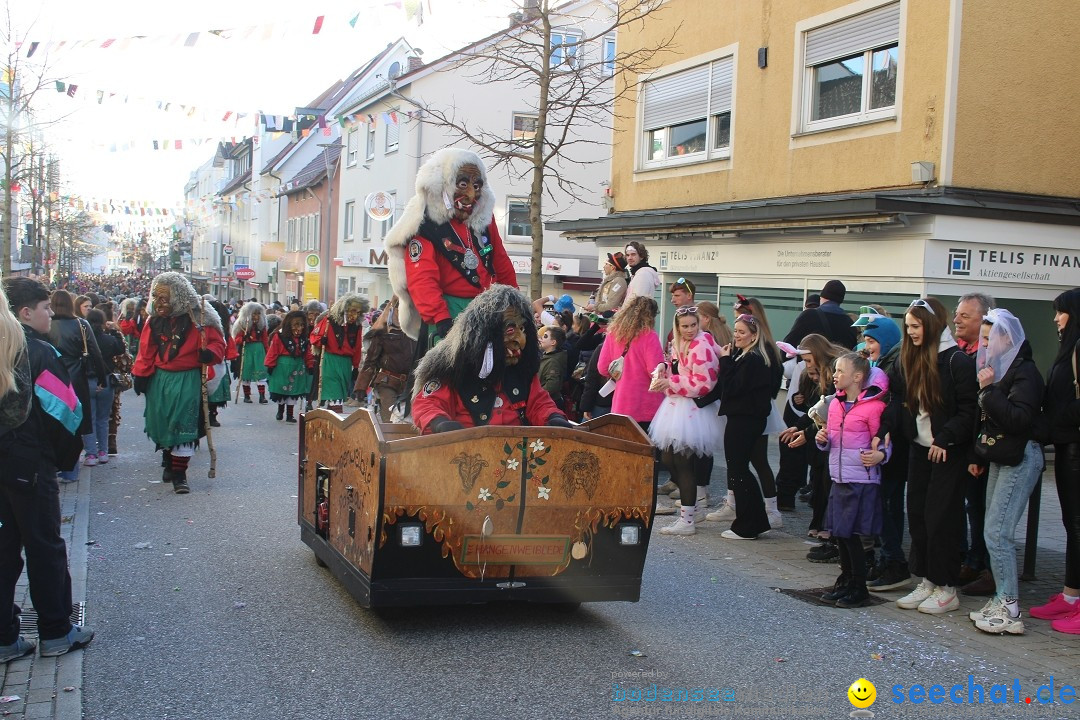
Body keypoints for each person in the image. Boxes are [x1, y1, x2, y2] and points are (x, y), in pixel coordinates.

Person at [0, 277, 94, 661]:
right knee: (45, 547)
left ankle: (6, 637)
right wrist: (60, 458)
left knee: (4, 551)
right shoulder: (37, 351)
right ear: (25, 312)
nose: (50, 313)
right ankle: (56, 630)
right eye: (44, 308)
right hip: (29, 463)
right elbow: (67, 413)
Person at [888, 297, 978, 615]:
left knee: (942, 518)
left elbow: (970, 409)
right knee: (918, 515)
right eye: (908, 326)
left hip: (947, 452)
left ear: (931, 325)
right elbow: (901, 400)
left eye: (916, 326)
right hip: (920, 448)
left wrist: (947, 437)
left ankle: (946, 586)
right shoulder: (910, 359)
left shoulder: (956, 361)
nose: (911, 332)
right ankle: (927, 579)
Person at [386, 148, 518, 346]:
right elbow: (422, 277)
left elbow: (500, 261)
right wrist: (441, 317)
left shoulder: (484, 221)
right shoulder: (425, 222)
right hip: (449, 313)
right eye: (463, 184)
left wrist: (514, 305)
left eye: (477, 185)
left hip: (489, 309)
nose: (471, 194)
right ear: (444, 184)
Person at [964, 309, 1044, 635]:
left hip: (1019, 456)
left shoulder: (1025, 373)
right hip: (1001, 455)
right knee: (991, 529)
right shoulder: (1002, 370)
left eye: (988, 338)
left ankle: (1009, 606)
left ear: (1005, 338)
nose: (983, 345)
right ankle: (1002, 597)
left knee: (998, 532)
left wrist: (988, 391)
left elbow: (1018, 420)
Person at [411, 285, 569, 433]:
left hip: (517, 454)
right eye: (510, 329)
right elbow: (428, 404)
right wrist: (440, 423)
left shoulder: (522, 370)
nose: (521, 340)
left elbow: (539, 403)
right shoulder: (452, 368)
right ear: (483, 334)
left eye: (522, 329)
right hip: (467, 454)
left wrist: (553, 417)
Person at [132, 273, 226, 494]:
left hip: (187, 378)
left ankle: (179, 475)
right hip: (160, 378)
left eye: (165, 298)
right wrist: (141, 375)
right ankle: (168, 458)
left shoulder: (201, 316)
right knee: (163, 421)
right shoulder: (153, 320)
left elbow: (218, 343)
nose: (159, 303)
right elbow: (146, 350)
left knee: (183, 423)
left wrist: (209, 353)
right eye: (156, 297)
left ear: (178, 296)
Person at [815, 353, 889, 608]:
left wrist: (881, 455)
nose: (834, 375)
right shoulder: (835, 404)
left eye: (840, 371)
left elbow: (885, 442)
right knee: (840, 534)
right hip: (840, 475)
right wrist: (822, 440)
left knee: (853, 535)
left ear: (857, 377)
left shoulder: (875, 407)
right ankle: (846, 579)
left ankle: (859, 586)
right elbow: (833, 440)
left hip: (861, 479)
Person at [696, 314, 773, 539]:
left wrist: (725, 360)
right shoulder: (750, 356)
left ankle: (748, 526)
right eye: (736, 331)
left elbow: (732, 387)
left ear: (754, 335)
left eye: (741, 332)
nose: (736, 336)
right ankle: (755, 521)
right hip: (744, 419)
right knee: (739, 470)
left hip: (745, 420)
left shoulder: (753, 359)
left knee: (738, 471)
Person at [648, 306, 724, 536]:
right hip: (680, 406)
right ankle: (693, 510)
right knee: (671, 459)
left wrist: (670, 383)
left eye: (694, 325)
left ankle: (688, 519)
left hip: (692, 409)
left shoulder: (701, 344)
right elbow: (677, 366)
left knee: (681, 463)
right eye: (685, 326)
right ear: (677, 327)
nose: (690, 330)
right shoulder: (680, 342)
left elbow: (704, 384)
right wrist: (664, 367)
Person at [1031, 288, 1080, 632]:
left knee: (1077, 525)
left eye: (1060, 312)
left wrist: (1054, 423)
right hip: (1066, 445)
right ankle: (1071, 594)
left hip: (1075, 444)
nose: (1056, 319)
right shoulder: (1070, 349)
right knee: (1071, 524)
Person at [860, 316, 912, 592]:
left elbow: (893, 404)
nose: (868, 347)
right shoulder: (884, 362)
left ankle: (894, 561)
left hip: (894, 444)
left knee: (886, 504)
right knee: (886, 504)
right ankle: (890, 559)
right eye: (866, 341)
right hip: (886, 441)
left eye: (872, 341)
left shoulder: (896, 364)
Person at [953, 292, 996, 597]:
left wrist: (976, 452)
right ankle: (970, 558)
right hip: (961, 444)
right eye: (957, 315)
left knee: (980, 508)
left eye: (965, 316)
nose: (957, 320)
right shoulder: (959, 352)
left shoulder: (991, 354)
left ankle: (981, 565)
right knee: (968, 505)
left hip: (981, 448)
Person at [730, 295, 786, 528]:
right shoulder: (755, 351)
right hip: (756, 409)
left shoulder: (763, 353)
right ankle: (744, 505)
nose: (736, 334)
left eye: (742, 327)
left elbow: (742, 385)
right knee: (748, 461)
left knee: (756, 460)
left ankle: (770, 510)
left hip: (756, 411)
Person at [48, 290, 107, 481]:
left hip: (51, 379)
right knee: (75, 423)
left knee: (53, 421)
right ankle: (70, 469)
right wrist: (101, 378)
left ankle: (56, 466)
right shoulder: (81, 324)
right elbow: (95, 353)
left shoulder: (46, 325)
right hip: (76, 378)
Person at [597, 296, 664, 431]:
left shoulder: (613, 334)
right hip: (646, 405)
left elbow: (602, 368)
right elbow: (654, 371)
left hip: (621, 404)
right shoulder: (649, 336)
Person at [353, 297, 416, 422]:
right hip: (387, 383)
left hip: (410, 385)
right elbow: (371, 361)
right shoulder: (383, 332)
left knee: (407, 423)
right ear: (395, 310)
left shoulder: (417, 331)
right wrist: (361, 386)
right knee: (391, 420)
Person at [309, 293, 367, 413]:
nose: (354, 315)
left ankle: (331, 419)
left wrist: (356, 367)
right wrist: (321, 341)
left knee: (340, 394)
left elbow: (356, 347)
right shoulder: (330, 321)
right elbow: (314, 336)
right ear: (345, 310)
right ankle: (335, 417)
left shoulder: (357, 326)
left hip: (346, 363)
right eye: (352, 311)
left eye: (358, 312)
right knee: (334, 394)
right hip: (330, 361)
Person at [83, 309, 125, 465]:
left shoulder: (84, 341)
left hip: (87, 381)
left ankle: (90, 454)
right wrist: (114, 330)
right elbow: (121, 349)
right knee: (103, 419)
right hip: (106, 381)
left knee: (90, 419)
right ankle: (103, 452)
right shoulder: (108, 339)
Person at [265, 310, 314, 423]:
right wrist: (270, 365)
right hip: (282, 367)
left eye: (302, 325)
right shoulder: (279, 336)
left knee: (293, 391)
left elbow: (307, 353)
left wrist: (310, 365)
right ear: (289, 325)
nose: (300, 328)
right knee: (282, 391)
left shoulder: (304, 339)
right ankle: (280, 410)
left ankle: (290, 415)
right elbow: (273, 351)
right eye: (296, 324)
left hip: (297, 367)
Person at [783, 279, 859, 349]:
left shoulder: (809, 315)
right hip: (838, 363)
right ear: (840, 301)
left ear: (822, 297)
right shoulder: (849, 322)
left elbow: (788, 345)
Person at [206, 299, 237, 428]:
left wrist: (233, 359)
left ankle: (212, 414)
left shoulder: (223, 331)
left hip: (219, 364)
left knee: (216, 394)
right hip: (204, 362)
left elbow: (229, 345)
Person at [232, 302, 270, 404]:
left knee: (260, 372)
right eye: (254, 314)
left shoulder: (262, 326)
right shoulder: (241, 325)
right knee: (246, 372)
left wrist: (267, 352)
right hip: (247, 350)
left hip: (259, 351)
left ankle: (262, 396)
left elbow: (265, 340)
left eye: (258, 314)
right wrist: (243, 338)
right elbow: (236, 339)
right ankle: (246, 396)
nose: (256, 316)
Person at [538, 325, 568, 407]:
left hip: (548, 402)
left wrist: (536, 394)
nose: (541, 339)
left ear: (553, 342)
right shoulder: (546, 356)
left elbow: (552, 385)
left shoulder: (553, 361)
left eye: (545, 336)